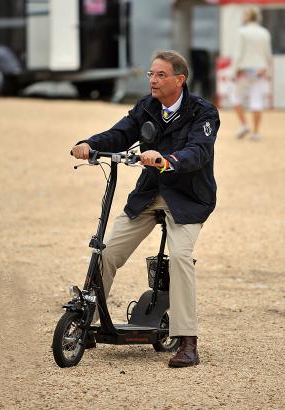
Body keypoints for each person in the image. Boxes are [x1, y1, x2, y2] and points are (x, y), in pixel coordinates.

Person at [72, 50, 220, 368]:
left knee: (180, 258)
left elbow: (199, 151)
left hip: (188, 200)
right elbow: (121, 133)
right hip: (149, 194)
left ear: (180, 80)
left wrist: (168, 160)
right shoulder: (147, 106)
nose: (152, 80)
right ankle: (86, 322)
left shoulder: (203, 112)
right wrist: (89, 144)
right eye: (150, 74)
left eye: (160, 75)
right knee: (107, 251)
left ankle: (187, 341)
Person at [230, 7, 272, 141]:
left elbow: (238, 54)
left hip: (244, 70)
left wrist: (233, 71)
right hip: (260, 69)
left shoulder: (242, 32)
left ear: (248, 17)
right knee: (257, 100)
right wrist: (268, 70)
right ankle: (256, 132)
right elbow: (268, 54)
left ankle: (244, 124)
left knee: (235, 97)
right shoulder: (265, 33)